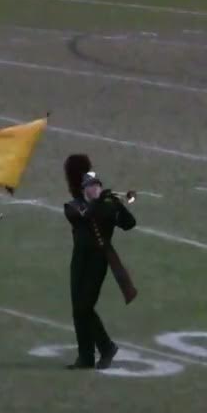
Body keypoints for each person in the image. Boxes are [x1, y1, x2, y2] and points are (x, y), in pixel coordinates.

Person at [63, 154, 136, 370]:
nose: (94, 189)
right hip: (79, 261)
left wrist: (118, 205)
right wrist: (103, 201)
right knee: (78, 309)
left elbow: (129, 224)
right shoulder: (73, 206)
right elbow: (85, 215)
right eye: (91, 186)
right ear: (84, 189)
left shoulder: (107, 206)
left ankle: (106, 347)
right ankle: (85, 356)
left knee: (85, 307)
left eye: (97, 185)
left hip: (98, 261)